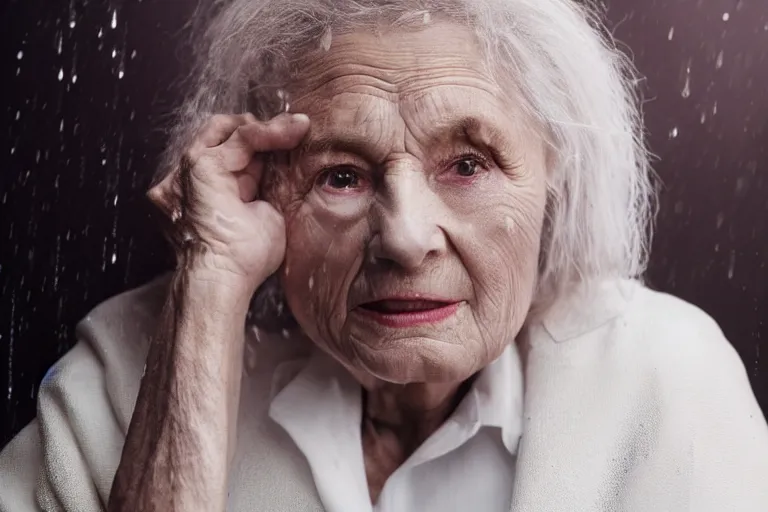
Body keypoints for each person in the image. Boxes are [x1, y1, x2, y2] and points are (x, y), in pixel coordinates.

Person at [2, 0, 767, 510]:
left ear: (553, 173)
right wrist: (206, 287)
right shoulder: (129, 370)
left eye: (467, 165)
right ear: (262, 184)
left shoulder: (663, 380)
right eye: (340, 175)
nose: (403, 238)